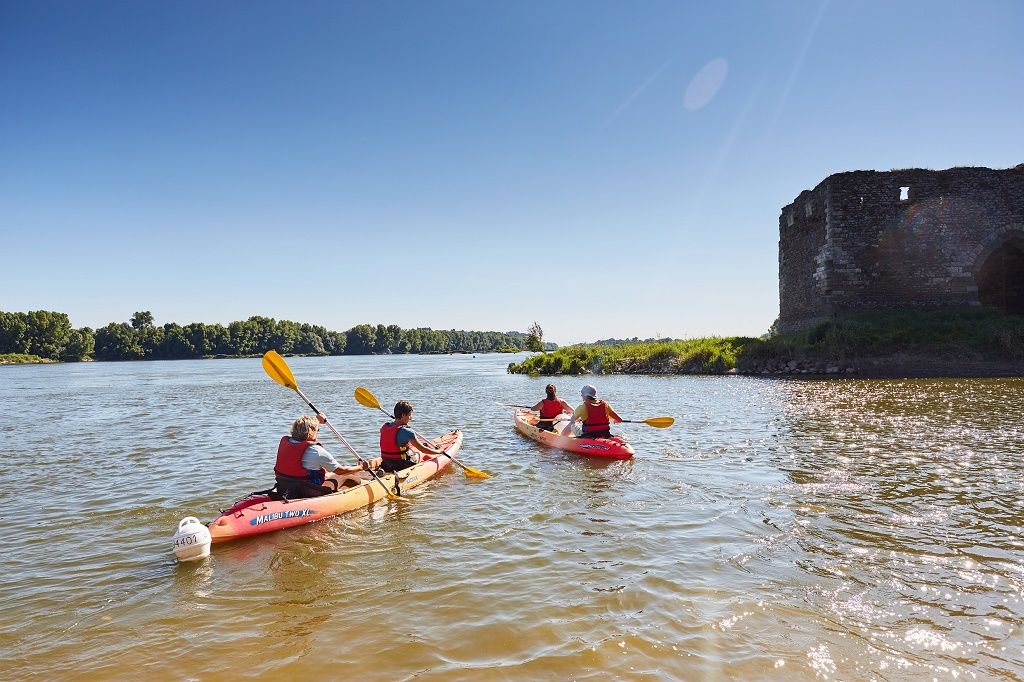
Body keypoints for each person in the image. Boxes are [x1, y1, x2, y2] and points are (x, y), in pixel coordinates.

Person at [274, 414, 382, 499]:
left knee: (328, 473)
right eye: (317, 430)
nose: (318, 432)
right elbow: (341, 471)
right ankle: (343, 495)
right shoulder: (316, 451)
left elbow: (305, 428)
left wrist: (318, 421)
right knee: (349, 478)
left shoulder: (286, 442)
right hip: (308, 491)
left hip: (285, 487)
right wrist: (361, 467)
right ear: (310, 432)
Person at [379, 400, 448, 473]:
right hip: (401, 465)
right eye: (409, 415)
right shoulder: (407, 432)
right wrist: (438, 451)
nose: (411, 418)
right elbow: (423, 449)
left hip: (386, 463)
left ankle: (382, 471)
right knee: (418, 453)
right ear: (403, 415)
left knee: (410, 449)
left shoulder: (384, 427)